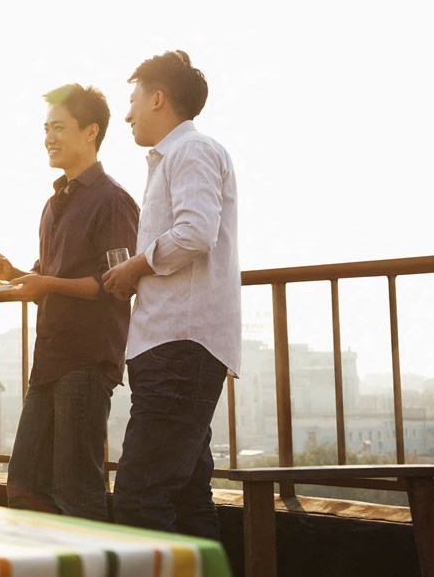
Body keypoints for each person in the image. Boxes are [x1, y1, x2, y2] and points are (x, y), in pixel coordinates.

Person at [103, 50, 241, 539]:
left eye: (135, 99)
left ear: (158, 98)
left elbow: (195, 233)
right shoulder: (178, 157)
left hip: (179, 347)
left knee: (140, 495)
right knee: (185, 497)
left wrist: (133, 268)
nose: (127, 113)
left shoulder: (191, 151)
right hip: (176, 347)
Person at [0, 83, 138, 521]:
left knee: (79, 492)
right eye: (45, 128)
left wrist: (44, 284)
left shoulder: (113, 200)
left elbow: (115, 284)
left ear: (90, 131)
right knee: (25, 485)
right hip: (50, 359)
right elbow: (51, 275)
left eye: (58, 127)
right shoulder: (55, 203)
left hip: (87, 361)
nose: (48, 138)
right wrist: (15, 273)